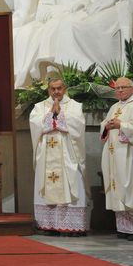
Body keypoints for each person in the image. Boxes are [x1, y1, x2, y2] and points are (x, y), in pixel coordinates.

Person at [29, 78, 88, 236]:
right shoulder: (40, 106)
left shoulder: (75, 106)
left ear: (65, 88)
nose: (56, 92)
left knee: (72, 180)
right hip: (46, 154)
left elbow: (78, 125)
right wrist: (50, 114)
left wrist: (60, 115)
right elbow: (35, 124)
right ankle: (48, 225)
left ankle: (73, 227)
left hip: (68, 153)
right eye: (53, 89)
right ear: (48, 90)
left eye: (59, 88)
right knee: (46, 183)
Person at [100, 77, 133, 242]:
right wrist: (107, 125)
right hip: (115, 154)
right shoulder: (114, 106)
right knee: (118, 186)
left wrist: (121, 125)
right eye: (117, 88)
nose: (119, 91)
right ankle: (124, 228)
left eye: (123, 87)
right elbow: (105, 125)